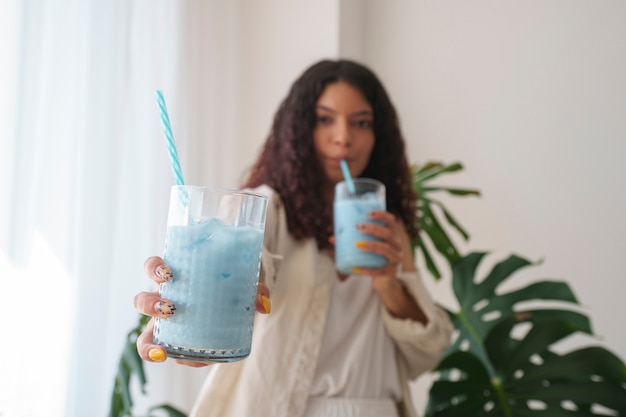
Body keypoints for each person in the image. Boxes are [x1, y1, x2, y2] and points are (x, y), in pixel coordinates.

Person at [133, 59, 453, 417]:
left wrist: (390, 286)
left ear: (379, 135)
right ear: (299, 128)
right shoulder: (268, 208)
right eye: (325, 119)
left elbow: (426, 355)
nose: (344, 136)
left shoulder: (387, 231)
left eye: (361, 122)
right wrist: (187, 318)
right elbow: (243, 266)